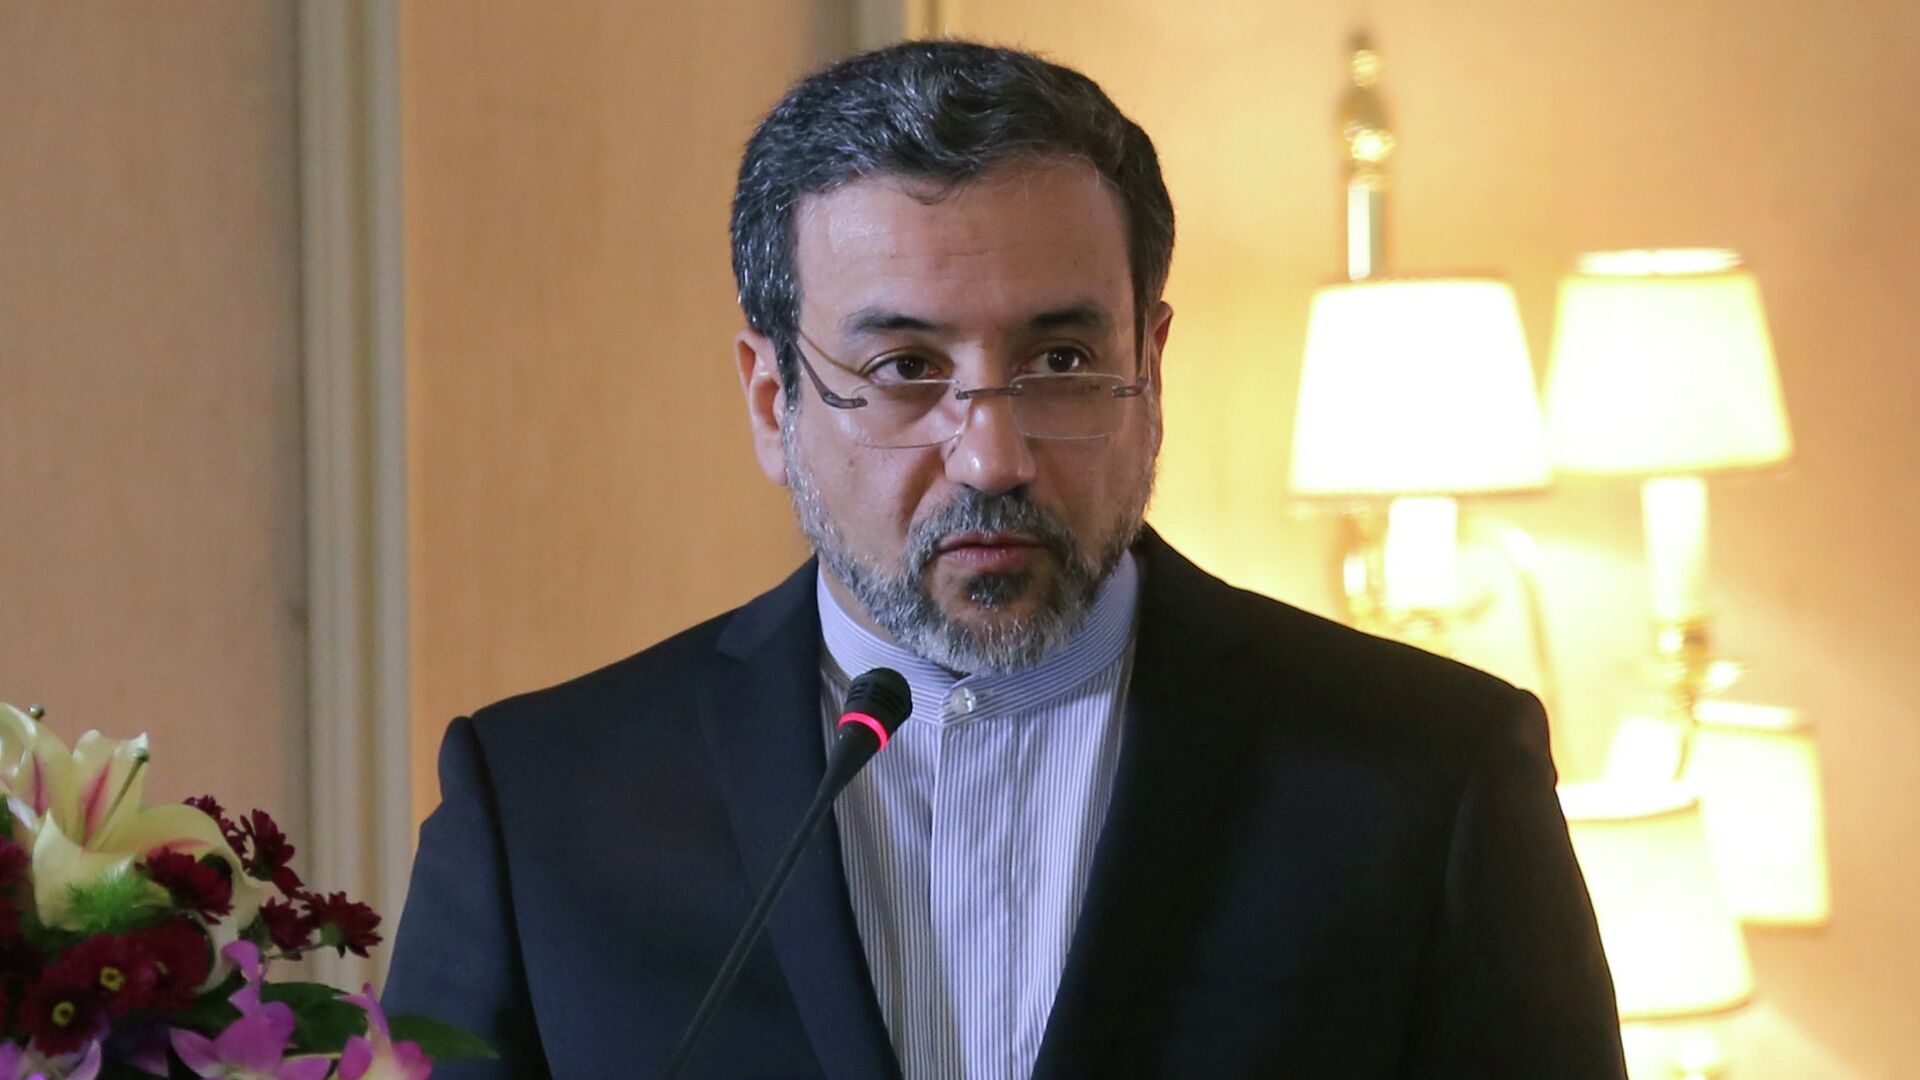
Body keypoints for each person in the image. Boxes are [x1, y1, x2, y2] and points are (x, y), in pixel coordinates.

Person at [384, 40, 1626, 1079]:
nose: (993, 455)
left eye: (1063, 363)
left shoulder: (1428, 775)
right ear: (772, 400)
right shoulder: (541, 804)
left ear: (1150, 368)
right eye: (905, 369)